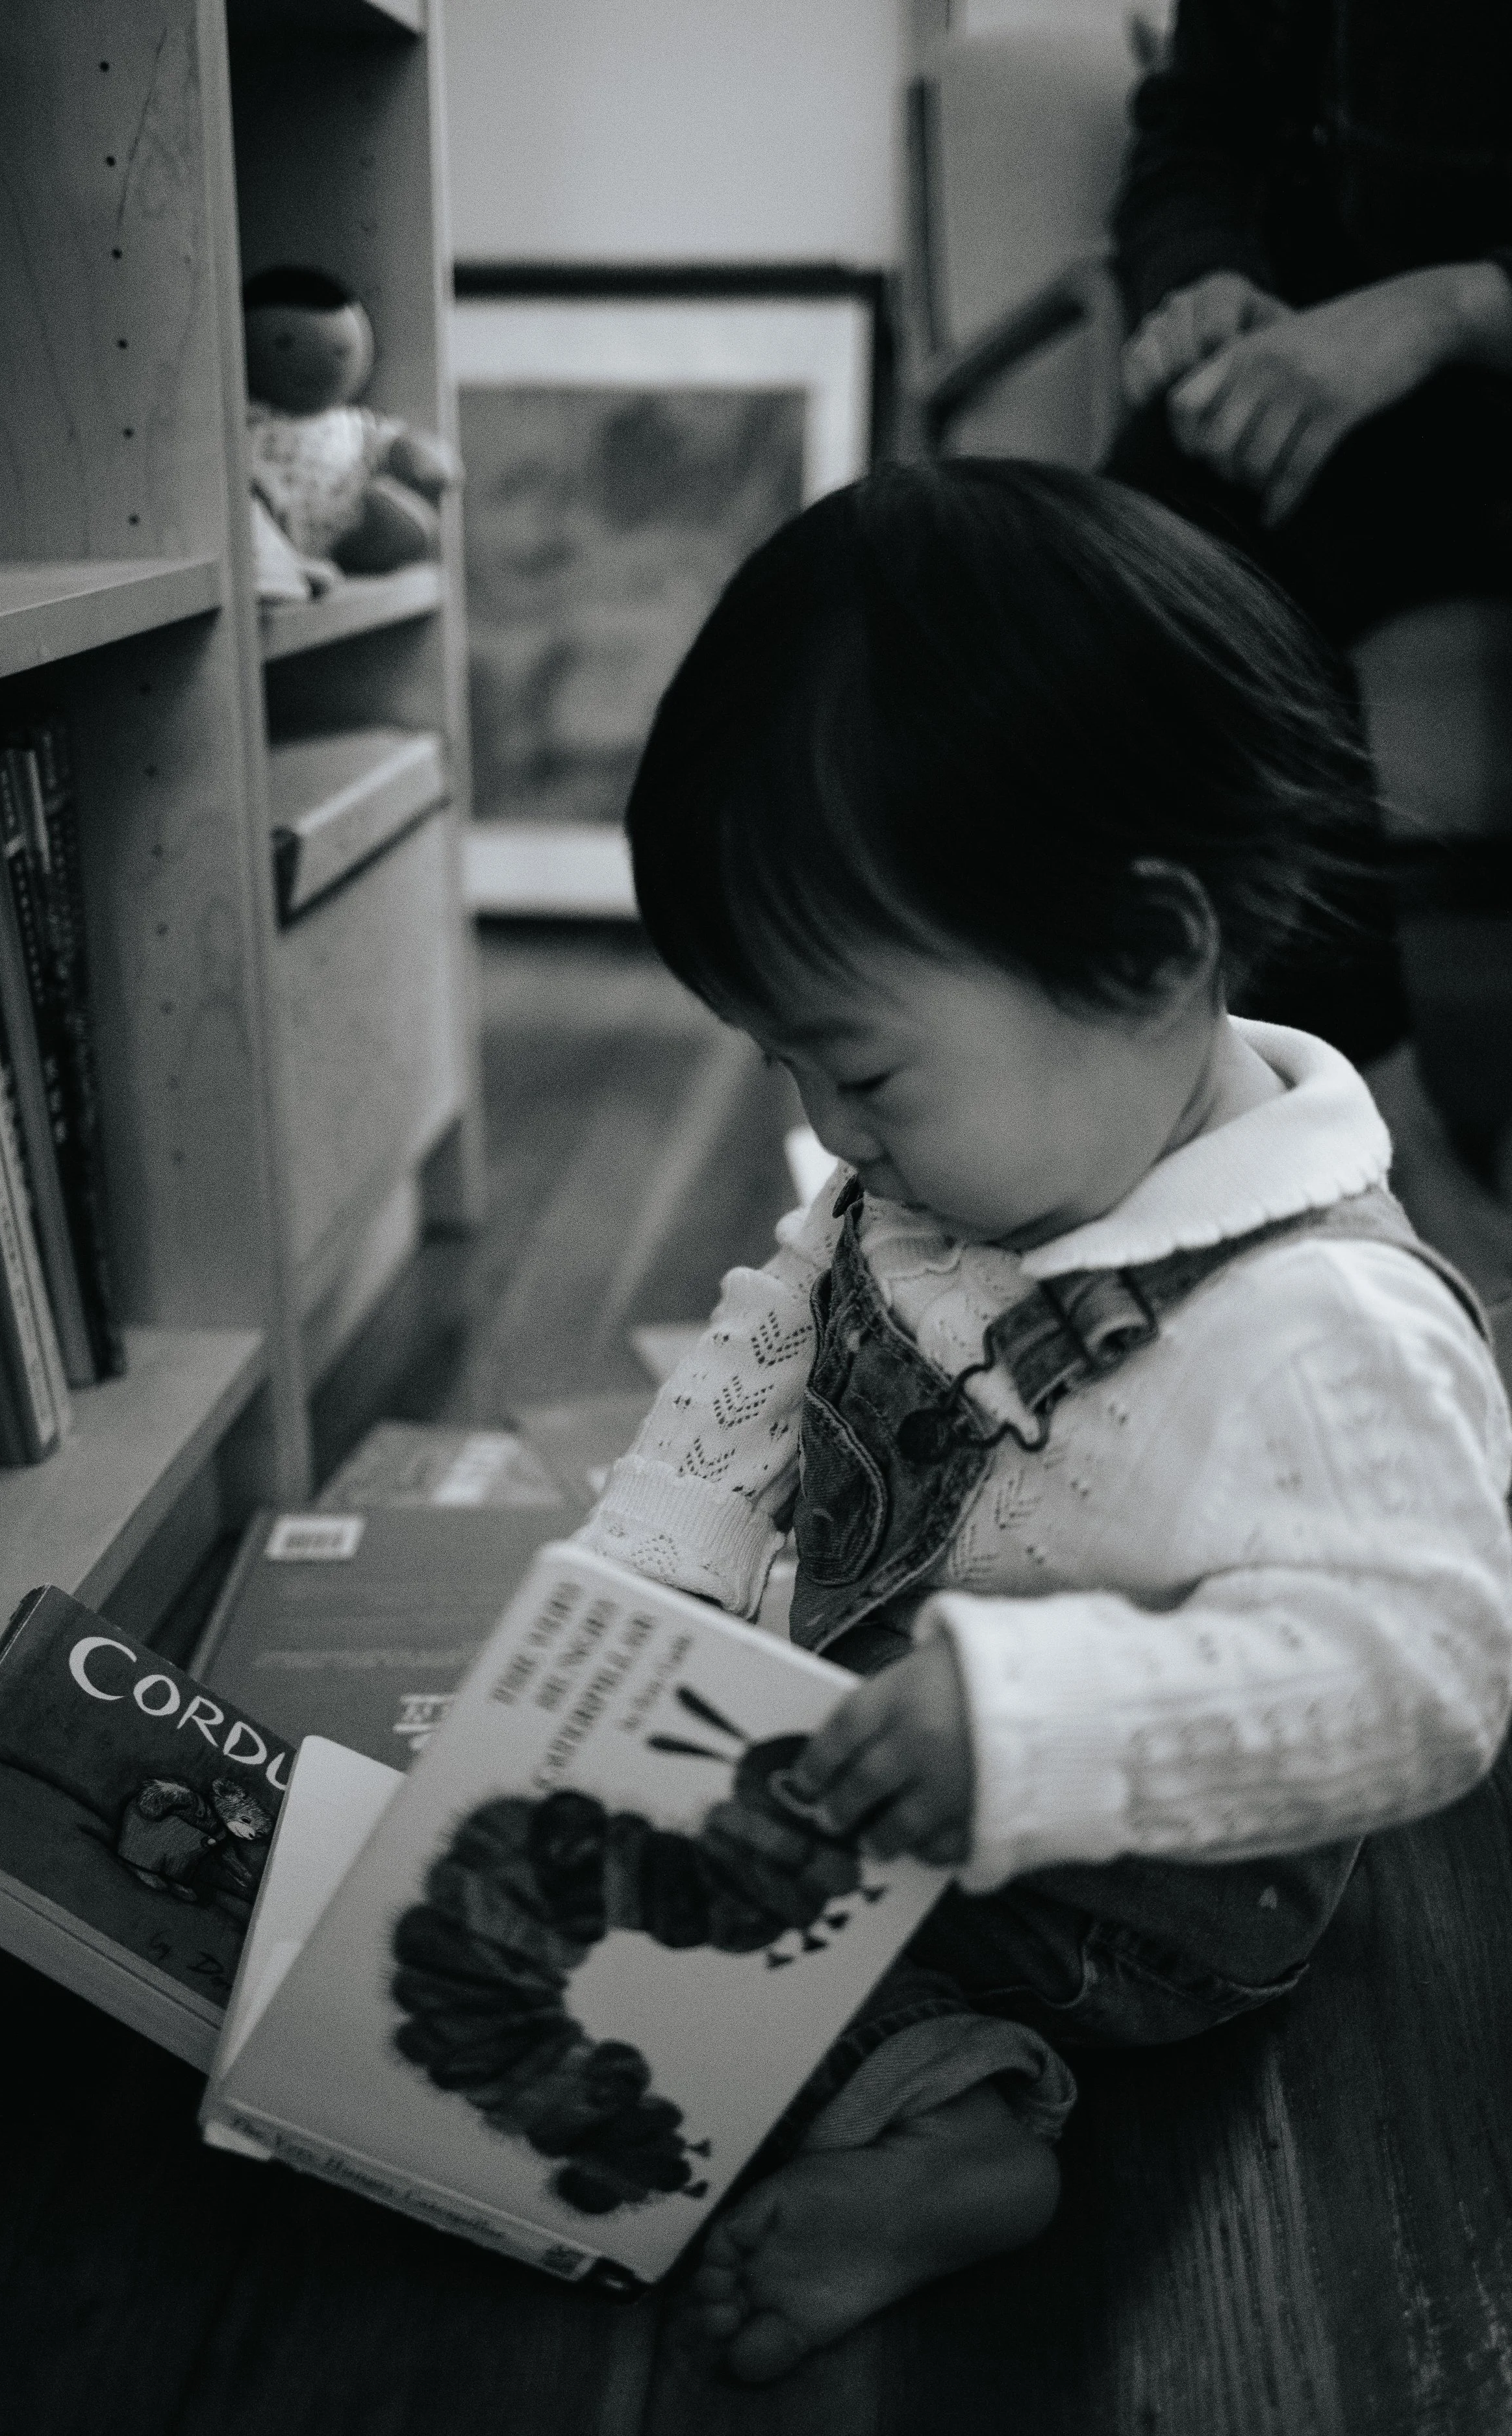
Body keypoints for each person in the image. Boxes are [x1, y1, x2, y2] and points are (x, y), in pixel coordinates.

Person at [578, 458, 1512, 2383]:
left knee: (723, 1984)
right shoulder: (945, 1179)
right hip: (862, 1720)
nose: (833, 1130)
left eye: (857, 1065)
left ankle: (963, 2136)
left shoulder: (1316, 1323)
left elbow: (1423, 1674)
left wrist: (1045, 1723)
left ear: (1153, 956)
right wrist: (638, 1574)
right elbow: (772, 1344)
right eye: (787, 1061)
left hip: (1120, 1876)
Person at [1105, 0, 1512, 1105]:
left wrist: (1451, 311)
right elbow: (1198, 134)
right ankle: (1349, 1106)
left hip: (1454, 342)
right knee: (1164, 527)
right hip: (1353, 392)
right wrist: (1204, 279)